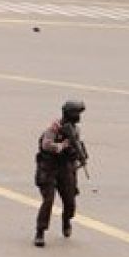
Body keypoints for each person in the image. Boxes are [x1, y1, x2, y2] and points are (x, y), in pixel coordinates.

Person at [34, 101, 87, 247]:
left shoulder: (75, 129)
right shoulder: (54, 128)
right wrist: (61, 146)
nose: (78, 117)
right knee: (48, 200)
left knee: (70, 200)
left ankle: (66, 220)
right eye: (76, 113)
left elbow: (77, 143)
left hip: (65, 168)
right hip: (49, 167)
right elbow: (46, 144)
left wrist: (80, 155)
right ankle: (40, 231)